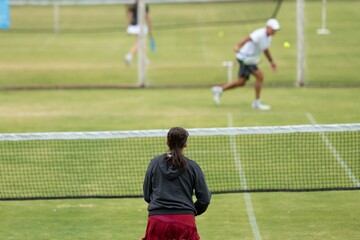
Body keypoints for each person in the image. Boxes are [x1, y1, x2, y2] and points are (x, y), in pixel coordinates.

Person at [142, 127, 211, 240]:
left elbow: (147, 195)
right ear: (185, 144)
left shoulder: (154, 163)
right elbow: (205, 199)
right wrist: (189, 211)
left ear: (167, 142)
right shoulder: (193, 166)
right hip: (185, 221)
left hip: (158, 220)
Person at [212, 18, 281, 110]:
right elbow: (247, 38)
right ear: (267, 27)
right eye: (273, 29)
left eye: (276, 30)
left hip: (250, 58)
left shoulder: (269, 37)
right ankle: (256, 103)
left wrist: (271, 62)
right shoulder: (259, 34)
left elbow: (265, 49)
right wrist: (237, 45)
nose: (274, 31)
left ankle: (219, 90)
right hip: (245, 57)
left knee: (241, 82)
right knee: (260, 76)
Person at [124, 0, 153, 66]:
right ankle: (129, 56)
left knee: (138, 43)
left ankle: (143, 58)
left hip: (134, 26)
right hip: (139, 26)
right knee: (141, 43)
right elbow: (146, 16)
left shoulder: (132, 4)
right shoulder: (143, 4)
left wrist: (128, 26)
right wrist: (150, 26)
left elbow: (129, 16)